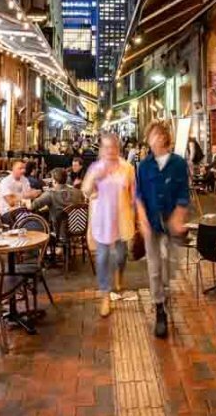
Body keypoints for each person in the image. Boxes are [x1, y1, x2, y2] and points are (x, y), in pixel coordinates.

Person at [135, 122, 190, 338]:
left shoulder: (178, 163)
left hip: (171, 221)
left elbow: (183, 194)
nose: (155, 139)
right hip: (151, 222)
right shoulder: (144, 165)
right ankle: (159, 309)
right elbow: (139, 194)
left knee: (170, 267)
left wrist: (178, 216)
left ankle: (164, 295)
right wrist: (141, 218)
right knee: (154, 266)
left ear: (165, 137)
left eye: (158, 134)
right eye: (152, 135)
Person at [82, 133, 137, 318]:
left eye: (113, 147)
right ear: (101, 150)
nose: (110, 150)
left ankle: (119, 274)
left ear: (118, 149)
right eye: (106, 147)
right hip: (102, 220)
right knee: (103, 258)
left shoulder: (127, 168)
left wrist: (136, 217)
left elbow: (133, 194)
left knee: (121, 256)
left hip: (122, 220)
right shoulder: (96, 168)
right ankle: (105, 295)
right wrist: (94, 180)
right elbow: (86, 191)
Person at [0, 160, 41, 224]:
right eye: (20, 168)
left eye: (24, 168)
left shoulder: (24, 179)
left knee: (40, 218)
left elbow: (29, 194)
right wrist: (27, 195)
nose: (23, 171)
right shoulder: (5, 182)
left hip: (23, 210)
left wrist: (35, 192)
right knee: (32, 224)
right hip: (8, 212)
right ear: (13, 169)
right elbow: (11, 202)